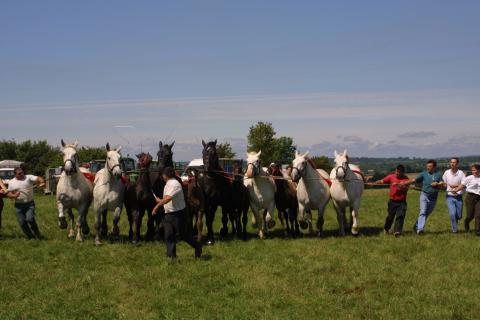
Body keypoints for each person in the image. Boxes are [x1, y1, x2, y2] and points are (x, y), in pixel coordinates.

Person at [153, 167, 202, 258]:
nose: (162, 176)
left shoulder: (174, 184)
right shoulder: (168, 183)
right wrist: (160, 200)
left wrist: (157, 206)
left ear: (165, 175)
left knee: (184, 236)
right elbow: (167, 197)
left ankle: (197, 245)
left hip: (179, 214)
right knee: (168, 234)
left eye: (163, 174)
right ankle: (171, 256)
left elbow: (168, 199)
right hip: (169, 214)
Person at [400, 160, 443, 235]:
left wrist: (438, 184)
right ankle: (420, 230)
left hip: (434, 197)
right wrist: (404, 183)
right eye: (427, 166)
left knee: (426, 214)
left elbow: (442, 183)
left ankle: (416, 226)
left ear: (434, 167)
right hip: (424, 195)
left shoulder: (438, 174)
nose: (428, 168)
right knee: (423, 211)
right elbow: (414, 180)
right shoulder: (423, 174)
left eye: (430, 166)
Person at [6, 167, 45, 239]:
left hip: (29, 204)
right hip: (18, 206)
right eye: (19, 174)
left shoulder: (28, 177)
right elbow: (9, 194)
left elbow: (39, 178)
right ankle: (31, 237)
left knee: (30, 219)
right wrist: (14, 195)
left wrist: (42, 182)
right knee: (22, 223)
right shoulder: (11, 182)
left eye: (22, 172)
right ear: (15, 174)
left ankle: (37, 233)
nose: (22, 174)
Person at [371, 164, 410, 236]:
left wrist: (398, 185)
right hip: (392, 201)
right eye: (396, 171)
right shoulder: (391, 176)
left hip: (402, 202)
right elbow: (383, 181)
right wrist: (375, 182)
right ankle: (386, 228)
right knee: (390, 217)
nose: (397, 173)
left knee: (400, 216)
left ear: (402, 172)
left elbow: (406, 189)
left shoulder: (406, 179)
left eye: (399, 172)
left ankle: (397, 231)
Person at [451, 164, 480, 235]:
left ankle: (477, 231)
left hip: (479, 198)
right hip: (470, 197)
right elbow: (462, 185)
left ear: (479, 170)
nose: (473, 171)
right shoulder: (469, 178)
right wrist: (456, 190)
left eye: (474, 170)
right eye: (472, 170)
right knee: (470, 215)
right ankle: (466, 222)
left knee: (478, 215)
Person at [441, 158, 465, 233]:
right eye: (451, 162)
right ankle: (455, 230)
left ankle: (456, 221)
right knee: (452, 214)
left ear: (457, 164)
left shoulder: (461, 173)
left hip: (459, 197)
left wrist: (456, 186)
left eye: (454, 162)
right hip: (449, 196)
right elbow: (444, 183)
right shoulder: (446, 172)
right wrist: (444, 185)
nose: (452, 164)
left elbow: (464, 184)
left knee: (459, 216)